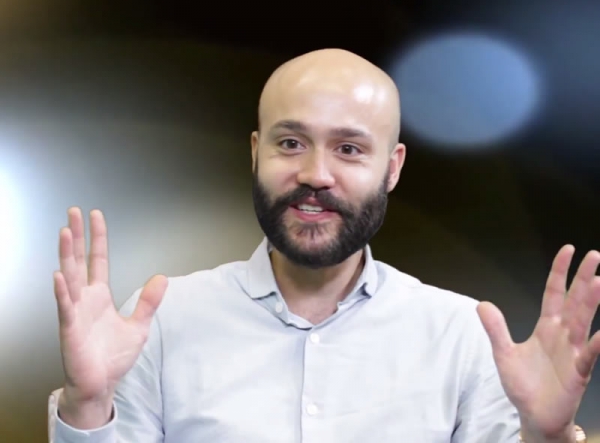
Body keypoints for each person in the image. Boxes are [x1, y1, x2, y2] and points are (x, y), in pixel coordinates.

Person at [50, 49, 599, 443]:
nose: (316, 174)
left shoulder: (460, 336)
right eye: (291, 143)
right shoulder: (161, 323)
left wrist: (547, 437)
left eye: (349, 149)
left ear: (392, 168)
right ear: (256, 152)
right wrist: (88, 405)